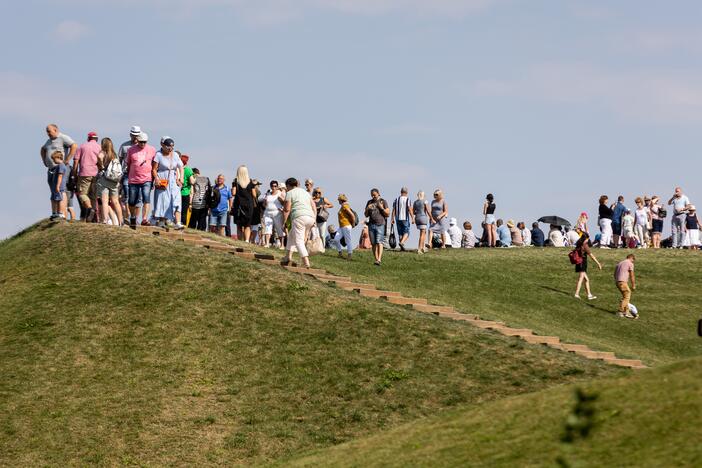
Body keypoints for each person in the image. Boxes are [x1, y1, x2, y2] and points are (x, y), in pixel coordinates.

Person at [41, 124, 77, 217]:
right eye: (47, 131)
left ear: (55, 130)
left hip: (60, 168)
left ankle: (62, 213)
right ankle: (56, 212)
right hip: (51, 169)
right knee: (54, 191)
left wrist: (67, 159)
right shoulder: (49, 141)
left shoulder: (62, 137)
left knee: (61, 190)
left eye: (49, 131)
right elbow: (43, 149)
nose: (47, 133)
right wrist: (44, 160)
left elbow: (74, 145)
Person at [281, 178, 317, 269]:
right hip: (310, 217)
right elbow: (314, 206)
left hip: (299, 217)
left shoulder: (289, 193)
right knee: (292, 235)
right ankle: (287, 257)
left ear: (288, 186)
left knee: (299, 241)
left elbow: (287, 209)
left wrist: (284, 222)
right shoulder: (306, 193)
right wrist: (314, 219)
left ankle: (306, 262)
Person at [152, 138, 184, 229]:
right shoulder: (158, 155)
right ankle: (161, 221)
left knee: (176, 200)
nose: (170, 148)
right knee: (163, 200)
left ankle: (177, 222)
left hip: (173, 179)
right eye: (168, 146)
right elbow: (154, 169)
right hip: (163, 179)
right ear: (163, 146)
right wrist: (156, 179)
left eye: (172, 147)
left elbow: (181, 167)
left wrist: (181, 178)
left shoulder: (175, 155)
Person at [126, 132, 156, 228]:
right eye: (141, 142)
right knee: (131, 201)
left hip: (147, 179)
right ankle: (133, 217)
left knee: (146, 199)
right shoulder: (131, 150)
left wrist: (154, 178)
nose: (143, 144)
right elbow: (128, 163)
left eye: (145, 142)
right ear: (137, 141)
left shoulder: (152, 149)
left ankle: (144, 219)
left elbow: (155, 164)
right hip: (133, 179)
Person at [73, 131, 101, 221]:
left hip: (84, 173)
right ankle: (92, 215)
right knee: (93, 196)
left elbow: (76, 161)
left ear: (88, 138)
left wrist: (74, 173)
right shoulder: (100, 147)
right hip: (96, 174)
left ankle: (89, 208)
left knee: (82, 194)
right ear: (96, 139)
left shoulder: (82, 146)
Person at [95, 137, 123, 226]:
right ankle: (121, 221)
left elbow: (99, 157)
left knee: (104, 201)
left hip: (104, 179)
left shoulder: (103, 152)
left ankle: (105, 220)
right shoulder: (114, 154)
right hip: (114, 181)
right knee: (116, 201)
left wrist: (102, 166)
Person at [118, 126, 141, 221]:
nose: (135, 138)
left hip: (139, 175)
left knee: (138, 199)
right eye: (134, 135)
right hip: (126, 174)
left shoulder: (142, 146)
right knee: (126, 197)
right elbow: (119, 161)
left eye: (137, 135)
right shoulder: (124, 146)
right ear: (130, 135)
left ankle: (135, 219)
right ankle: (127, 217)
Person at [573, 232, 602, 300]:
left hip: (578, 262)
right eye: (587, 239)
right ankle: (576, 294)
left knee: (586, 280)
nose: (588, 240)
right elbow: (591, 256)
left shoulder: (578, 243)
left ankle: (589, 295)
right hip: (582, 263)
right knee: (581, 278)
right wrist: (598, 263)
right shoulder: (585, 245)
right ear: (585, 238)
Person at [232, 165, 257, 242]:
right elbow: (254, 195)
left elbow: (233, 193)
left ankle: (240, 240)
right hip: (249, 205)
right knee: (247, 225)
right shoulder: (250, 181)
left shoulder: (235, 181)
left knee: (239, 225)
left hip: (238, 205)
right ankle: (246, 240)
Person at [365, 188, 390, 265]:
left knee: (379, 241)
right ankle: (376, 259)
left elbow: (388, 214)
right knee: (373, 243)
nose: (373, 197)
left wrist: (381, 207)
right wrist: (367, 209)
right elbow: (366, 215)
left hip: (380, 224)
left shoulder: (383, 201)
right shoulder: (369, 202)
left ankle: (379, 259)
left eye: (374, 195)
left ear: (378, 194)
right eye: (372, 195)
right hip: (371, 224)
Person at [261, 180, 286, 247]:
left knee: (279, 228)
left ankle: (282, 245)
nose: (273, 187)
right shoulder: (268, 194)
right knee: (267, 228)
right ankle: (267, 243)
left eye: (275, 186)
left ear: (277, 186)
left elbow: (285, 203)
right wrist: (265, 201)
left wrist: (282, 206)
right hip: (268, 213)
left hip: (277, 213)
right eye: (272, 186)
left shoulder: (280, 193)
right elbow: (264, 205)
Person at [614, 254, 636, 318]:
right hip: (623, 282)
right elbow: (632, 275)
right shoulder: (630, 263)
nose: (633, 262)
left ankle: (626, 312)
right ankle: (620, 311)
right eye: (633, 260)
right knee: (627, 296)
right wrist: (633, 285)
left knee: (625, 296)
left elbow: (615, 273)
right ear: (632, 258)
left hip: (617, 282)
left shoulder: (619, 263)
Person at [335, 193, 356, 259]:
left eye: (339, 200)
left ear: (341, 200)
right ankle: (340, 253)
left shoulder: (345, 206)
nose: (338, 201)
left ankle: (350, 255)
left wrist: (353, 224)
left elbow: (352, 215)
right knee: (336, 239)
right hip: (341, 226)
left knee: (348, 240)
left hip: (346, 225)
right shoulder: (342, 206)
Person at [48, 151, 67, 220]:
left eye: (54, 159)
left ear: (58, 158)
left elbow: (60, 176)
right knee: (53, 199)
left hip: (59, 186)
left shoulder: (61, 166)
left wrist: (58, 186)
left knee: (59, 199)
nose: (53, 161)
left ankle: (61, 213)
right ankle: (55, 213)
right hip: (55, 186)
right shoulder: (57, 167)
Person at [180, 154, 194, 225]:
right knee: (184, 211)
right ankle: (183, 224)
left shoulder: (178, 168)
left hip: (177, 192)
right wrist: (195, 179)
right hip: (185, 193)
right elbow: (192, 182)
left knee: (177, 210)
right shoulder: (188, 169)